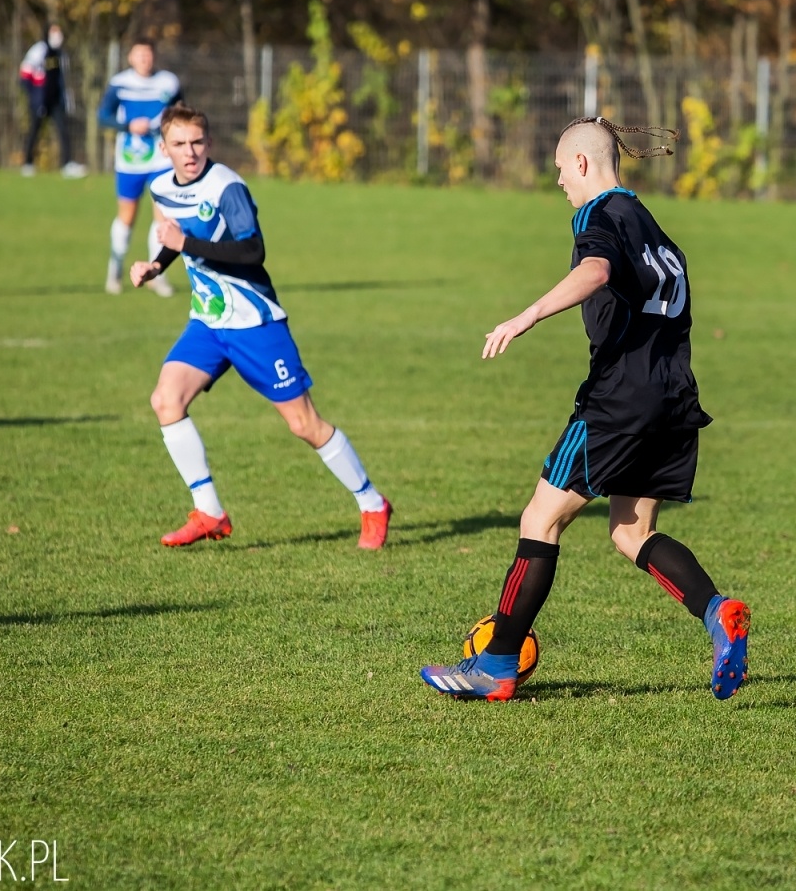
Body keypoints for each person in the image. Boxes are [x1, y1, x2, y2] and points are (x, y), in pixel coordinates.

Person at [419, 117, 751, 703]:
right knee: (632, 531)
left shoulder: (598, 215)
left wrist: (524, 317)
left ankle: (495, 665)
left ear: (580, 165)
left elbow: (595, 270)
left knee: (538, 521)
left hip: (618, 403)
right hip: (673, 399)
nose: (558, 185)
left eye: (557, 172)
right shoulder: (653, 227)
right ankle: (717, 610)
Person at [130, 104, 393, 550]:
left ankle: (372, 503)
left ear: (208, 143)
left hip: (255, 323)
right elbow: (177, 239)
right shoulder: (159, 188)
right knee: (165, 400)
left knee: (303, 424)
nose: (189, 152)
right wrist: (157, 265)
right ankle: (209, 512)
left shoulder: (227, 186)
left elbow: (252, 252)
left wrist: (182, 243)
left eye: (197, 142)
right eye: (179, 144)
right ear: (164, 148)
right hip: (208, 322)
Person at [100, 37, 181, 296]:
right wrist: (128, 126)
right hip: (130, 159)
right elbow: (103, 117)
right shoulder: (120, 84)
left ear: (154, 56)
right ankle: (115, 269)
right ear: (131, 58)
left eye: (149, 55)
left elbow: (181, 112)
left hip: (162, 159)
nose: (145, 60)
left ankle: (157, 273)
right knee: (128, 216)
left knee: (164, 216)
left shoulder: (169, 82)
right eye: (140, 55)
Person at [18, 23, 85, 179]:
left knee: (63, 131)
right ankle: (28, 163)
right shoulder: (39, 50)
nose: (58, 35)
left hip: (56, 101)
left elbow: (63, 79)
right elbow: (25, 74)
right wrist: (34, 95)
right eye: (55, 31)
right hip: (40, 100)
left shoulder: (61, 54)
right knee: (35, 131)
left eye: (59, 31)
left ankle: (67, 164)